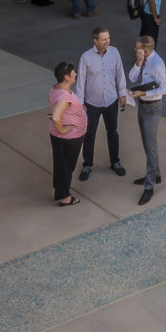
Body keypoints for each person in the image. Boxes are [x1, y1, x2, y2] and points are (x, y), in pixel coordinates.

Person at [75, 28, 128, 181]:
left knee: (113, 132)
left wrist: (122, 93)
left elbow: (119, 73)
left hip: (111, 100)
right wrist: (80, 103)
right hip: (92, 103)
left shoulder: (114, 52)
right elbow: (81, 82)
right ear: (95, 41)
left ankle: (115, 162)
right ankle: (87, 165)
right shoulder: (86, 57)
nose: (107, 42)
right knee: (89, 134)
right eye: (104, 39)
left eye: (108, 38)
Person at [128, 35, 166, 206]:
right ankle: (155, 174)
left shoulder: (157, 65)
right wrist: (138, 63)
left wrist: (143, 93)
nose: (135, 50)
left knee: (150, 145)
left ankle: (149, 186)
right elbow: (132, 78)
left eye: (137, 48)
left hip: (152, 107)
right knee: (147, 143)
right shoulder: (142, 60)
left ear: (145, 50)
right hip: (142, 105)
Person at [49, 62, 87, 206]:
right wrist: (63, 129)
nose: (75, 74)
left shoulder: (56, 89)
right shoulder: (65, 97)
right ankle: (65, 197)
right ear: (66, 77)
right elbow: (56, 117)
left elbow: (52, 102)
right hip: (67, 139)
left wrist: (78, 109)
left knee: (61, 165)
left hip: (60, 138)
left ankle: (60, 190)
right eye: (73, 73)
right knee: (66, 167)